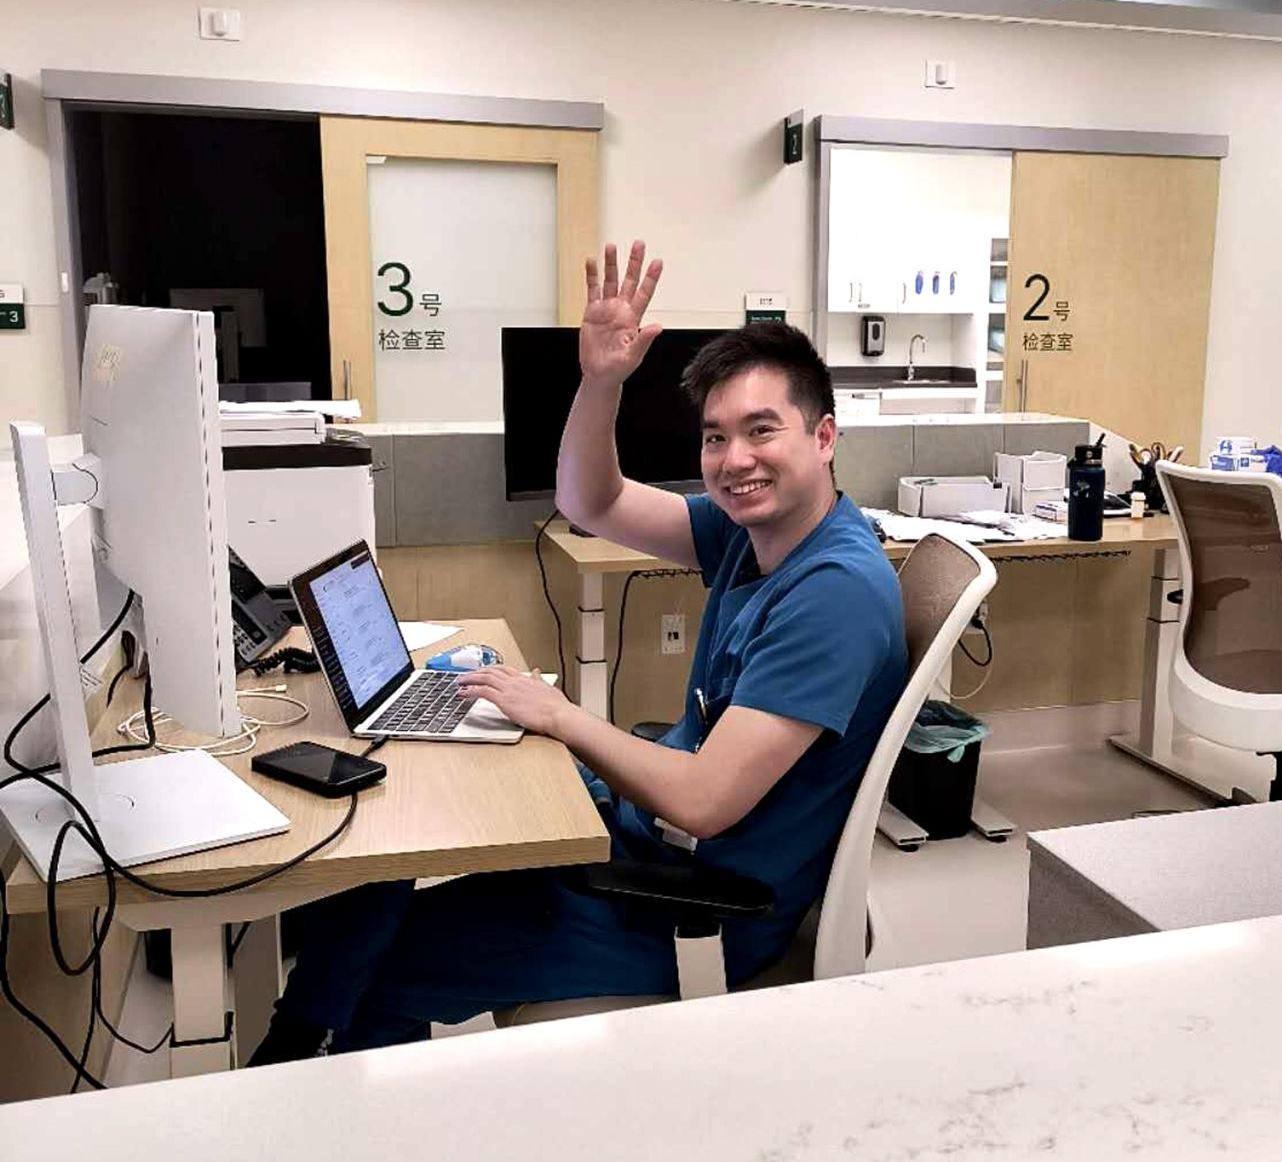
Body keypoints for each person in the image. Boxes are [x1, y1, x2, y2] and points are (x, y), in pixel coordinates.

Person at [250, 242, 906, 1061]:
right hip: (639, 844)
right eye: (715, 438)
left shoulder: (834, 593)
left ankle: (312, 1081)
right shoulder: (757, 534)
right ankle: (295, 1043)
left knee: (383, 968)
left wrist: (560, 718)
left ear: (825, 436)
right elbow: (590, 501)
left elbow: (704, 801)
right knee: (388, 855)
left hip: (688, 901)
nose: (734, 460)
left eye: (761, 431)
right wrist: (601, 381)